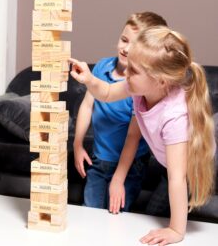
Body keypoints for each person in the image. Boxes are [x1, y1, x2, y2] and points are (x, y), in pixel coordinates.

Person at [70, 26, 215, 245]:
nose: (125, 73)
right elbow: (108, 93)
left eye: (133, 70)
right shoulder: (140, 88)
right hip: (170, 161)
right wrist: (89, 79)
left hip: (191, 165)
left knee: (161, 208)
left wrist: (176, 230)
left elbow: (178, 178)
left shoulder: (174, 117)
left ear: (161, 80)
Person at [74, 12, 168, 214]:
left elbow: (133, 137)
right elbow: (87, 105)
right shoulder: (101, 67)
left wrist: (118, 178)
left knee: (116, 214)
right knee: (89, 211)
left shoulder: (141, 84)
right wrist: (77, 144)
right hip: (99, 159)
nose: (126, 49)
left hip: (129, 165)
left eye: (134, 45)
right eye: (124, 40)